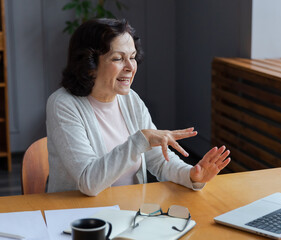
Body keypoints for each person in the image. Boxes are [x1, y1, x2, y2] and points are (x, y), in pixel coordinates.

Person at [46, 18, 231, 196]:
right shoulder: (63, 104)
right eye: (118, 58)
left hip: (127, 215)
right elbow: (89, 182)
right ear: (90, 65)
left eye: (133, 57)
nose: (130, 67)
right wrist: (141, 140)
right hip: (79, 220)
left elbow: (159, 161)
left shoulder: (131, 100)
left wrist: (191, 174)